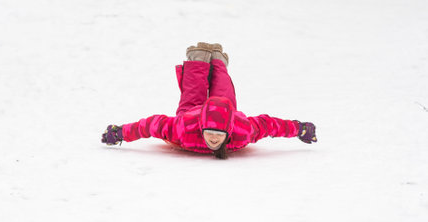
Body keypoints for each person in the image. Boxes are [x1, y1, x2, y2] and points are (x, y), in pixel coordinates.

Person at [101, 42, 317, 159]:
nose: (213, 139)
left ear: (228, 132)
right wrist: (121, 132)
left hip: (224, 110)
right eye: (211, 134)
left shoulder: (241, 130)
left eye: (217, 135)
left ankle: (213, 59)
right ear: (202, 129)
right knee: (192, 97)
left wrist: (299, 129)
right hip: (193, 114)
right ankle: (205, 57)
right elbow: (150, 125)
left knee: (222, 91)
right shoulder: (184, 127)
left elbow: (270, 125)